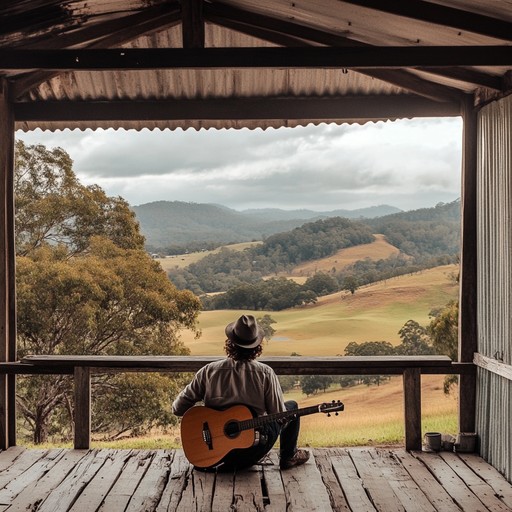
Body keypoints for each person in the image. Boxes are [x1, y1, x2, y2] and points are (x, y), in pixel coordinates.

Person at [172, 314, 309, 471]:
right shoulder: (265, 373)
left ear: (230, 343)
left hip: (210, 457)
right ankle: (288, 457)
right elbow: (278, 416)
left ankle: (219, 455)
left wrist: (208, 423)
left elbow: (177, 409)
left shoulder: (208, 371)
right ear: (257, 346)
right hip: (249, 453)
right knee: (292, 406)